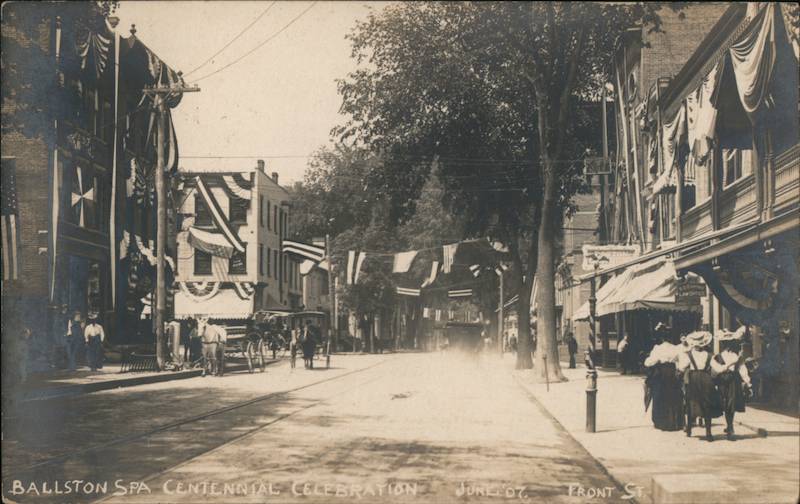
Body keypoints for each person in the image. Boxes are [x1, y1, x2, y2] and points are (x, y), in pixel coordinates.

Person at [676, 331, 722, 441]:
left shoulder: (689, 355)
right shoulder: (709, 355)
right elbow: (718, 369)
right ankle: (708, 432)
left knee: (692, 403)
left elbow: (682, 367)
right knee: (707, 404)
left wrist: (679, 365)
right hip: (706, 379)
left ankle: (689, 428)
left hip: (694, 379)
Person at [712, 327, 752, 441]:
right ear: (723, 344)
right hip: (722, 382)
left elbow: (742, 369)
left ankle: (730, 427)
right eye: (726, 343)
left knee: (732, 404)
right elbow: (717, 370)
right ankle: (729, 425)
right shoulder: (718, 356)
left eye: (730, 342)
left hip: (734, 381)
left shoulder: (736, 356)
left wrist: (748, 382)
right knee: (725, 404)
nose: (728, 345)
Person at [644, 333, 684, 431]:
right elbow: (680, 363)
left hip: (661, 373)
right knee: (673, 397)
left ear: (661, 338)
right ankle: (675, 422)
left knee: (660, 396)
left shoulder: (657, 348)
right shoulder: (676, 348)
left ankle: (661, 422)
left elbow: (649, 362)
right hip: (672, 372)